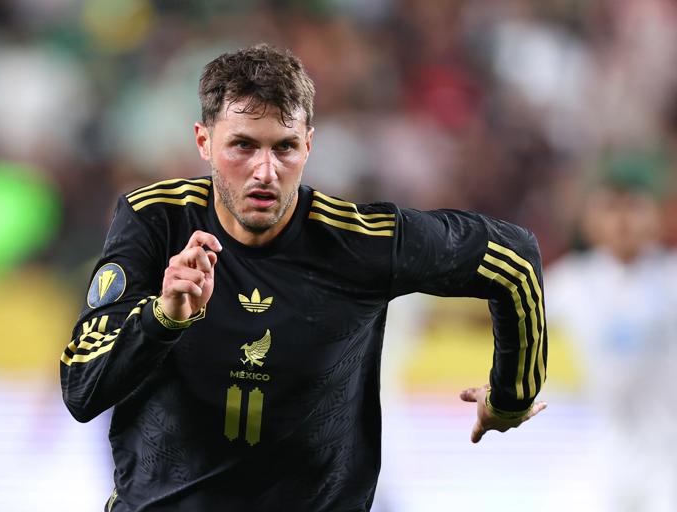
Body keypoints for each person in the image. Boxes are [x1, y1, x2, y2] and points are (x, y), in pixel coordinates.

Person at [60, 44, 547, 512]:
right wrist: (162, 318)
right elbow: (82, 390)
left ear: (309, 145)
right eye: (243, 145)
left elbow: (515, 258)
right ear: (203, 141)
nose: (265, 171)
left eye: (285, 147)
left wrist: (511, 396)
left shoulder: (359, 241)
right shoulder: (155, 220)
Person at [546, 160, 677, 512]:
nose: (622, 220)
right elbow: (504, 322)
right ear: (590, 219)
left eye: (634, 207)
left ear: (657, 216)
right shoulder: (571, 282)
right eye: (610, 208)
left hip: (668, 456)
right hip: (597, 455)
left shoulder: (671, 278)